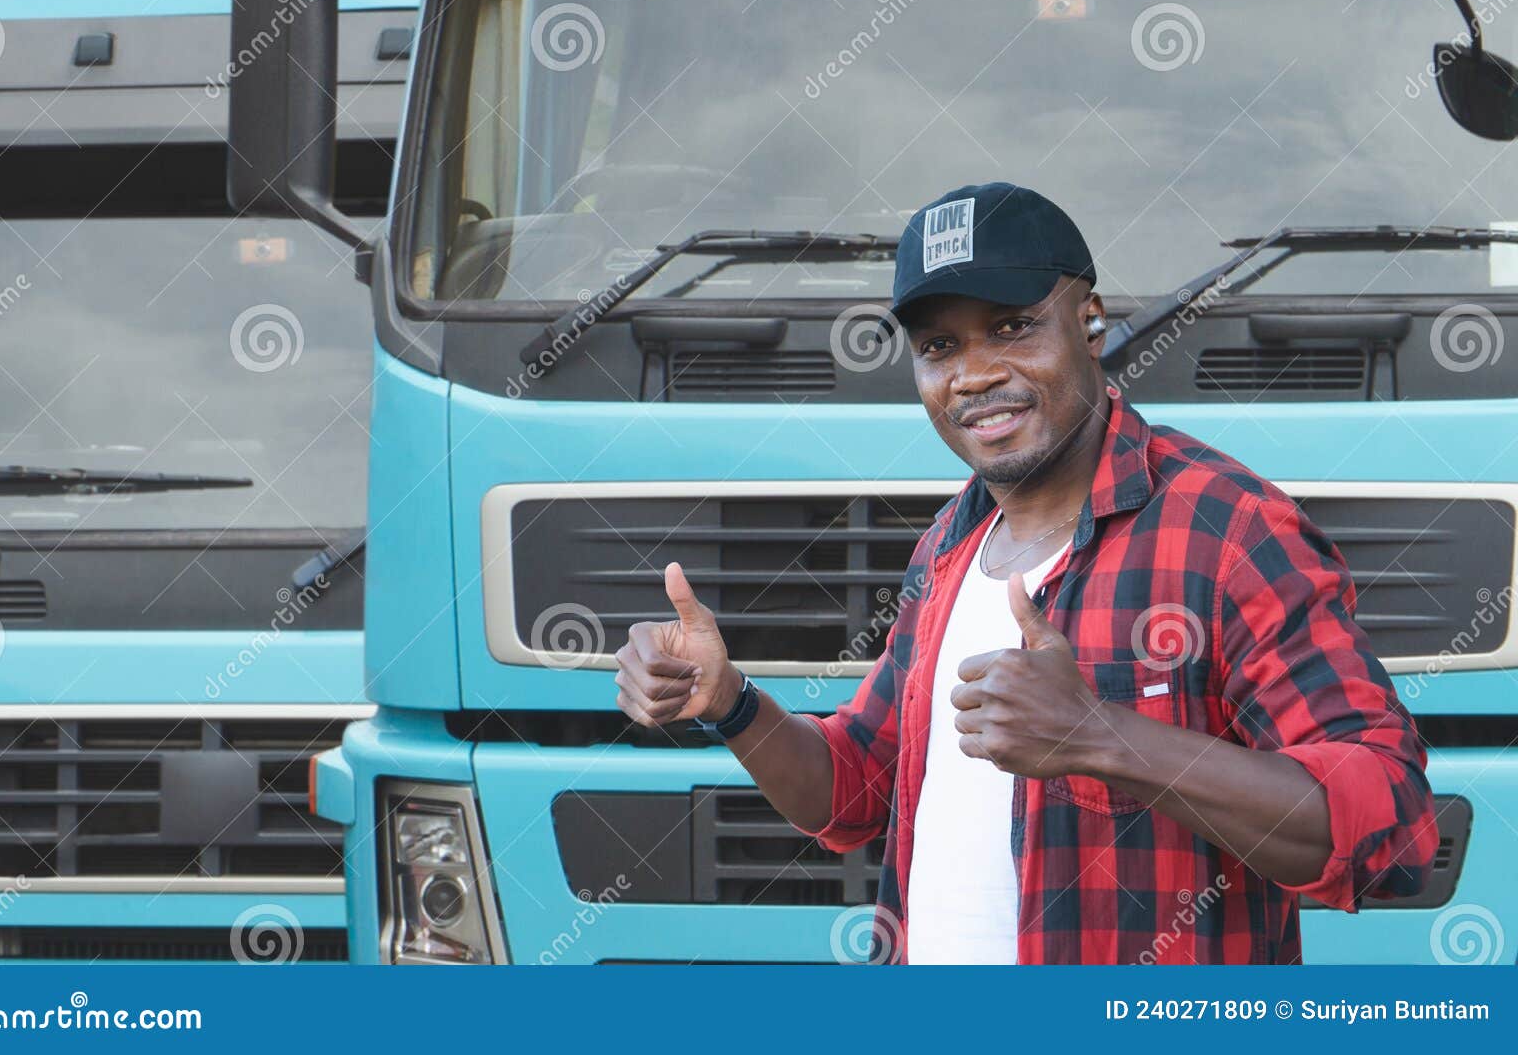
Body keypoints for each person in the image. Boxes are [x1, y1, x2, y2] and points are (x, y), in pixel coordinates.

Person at [611, 182, 1437, 964]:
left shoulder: (1228, 530)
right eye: (940, 346)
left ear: (1090, 321)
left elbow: (1390, 828)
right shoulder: (949, 545)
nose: (971, 375)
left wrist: (1103, 737)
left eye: (1010, 327)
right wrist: (732, 706)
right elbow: (854, 789)